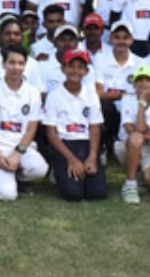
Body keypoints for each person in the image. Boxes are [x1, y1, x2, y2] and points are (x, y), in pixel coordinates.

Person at [0, 45, 49, 201]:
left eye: (20, 63)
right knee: (7, 195)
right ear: (3, 64)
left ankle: (16, 176)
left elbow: (31, 129)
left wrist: (17, 155)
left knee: (40, 169)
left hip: (22, 148)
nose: (16, 67)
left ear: (25, 65)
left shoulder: (32, 93)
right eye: (12, 63)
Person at [42, 49, 107, 203]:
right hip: (65, 145)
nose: (75, 71)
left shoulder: (91, 94)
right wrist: (72, 159)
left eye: (80, 67)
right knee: (73, 194)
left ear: (86, 71)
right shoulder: (54, 96)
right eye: (71, 66)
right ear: (63, 69)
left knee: (97, 193)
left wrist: (92, 157)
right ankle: (58, 171)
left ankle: (95, 163)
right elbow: (51, 133)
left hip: (86, 143)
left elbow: (95, 127)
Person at [117, 64, 150, 204]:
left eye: (148, 80)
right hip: (126, 145)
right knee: (136, 138)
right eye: (140, 80)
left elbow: (141, 128)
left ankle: (140, 176)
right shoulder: (127, 99)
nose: (143, 83)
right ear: (133, 84)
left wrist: (142, 104)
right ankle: (130, 183)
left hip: (147, 149)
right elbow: (130, 130)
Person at [95, 21, 144, 148]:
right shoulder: (100, 59)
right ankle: (107, 143)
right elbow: (98, 93)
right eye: (117, 37)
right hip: (109, 109)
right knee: (103, 105)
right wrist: (122, 95)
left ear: (132, 40)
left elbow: (143, 94)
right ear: (111, 39)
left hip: (131, 109)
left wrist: (117, 96)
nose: (121, 41)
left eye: (125, 38)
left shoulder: (141, 63)